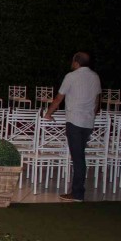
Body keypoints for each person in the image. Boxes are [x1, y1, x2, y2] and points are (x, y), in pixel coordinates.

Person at [44, 52, 101, 202]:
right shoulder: (95, 77)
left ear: (76, 62)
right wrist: (91, 115)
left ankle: (77, 193)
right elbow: (97, 100)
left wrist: (48, 113)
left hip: (75, 121)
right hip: (88, 122)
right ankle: (77, 191)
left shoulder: (71, 76)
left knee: (78, 158)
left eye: (72, 60)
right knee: (80, 156)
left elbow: (59, 98)